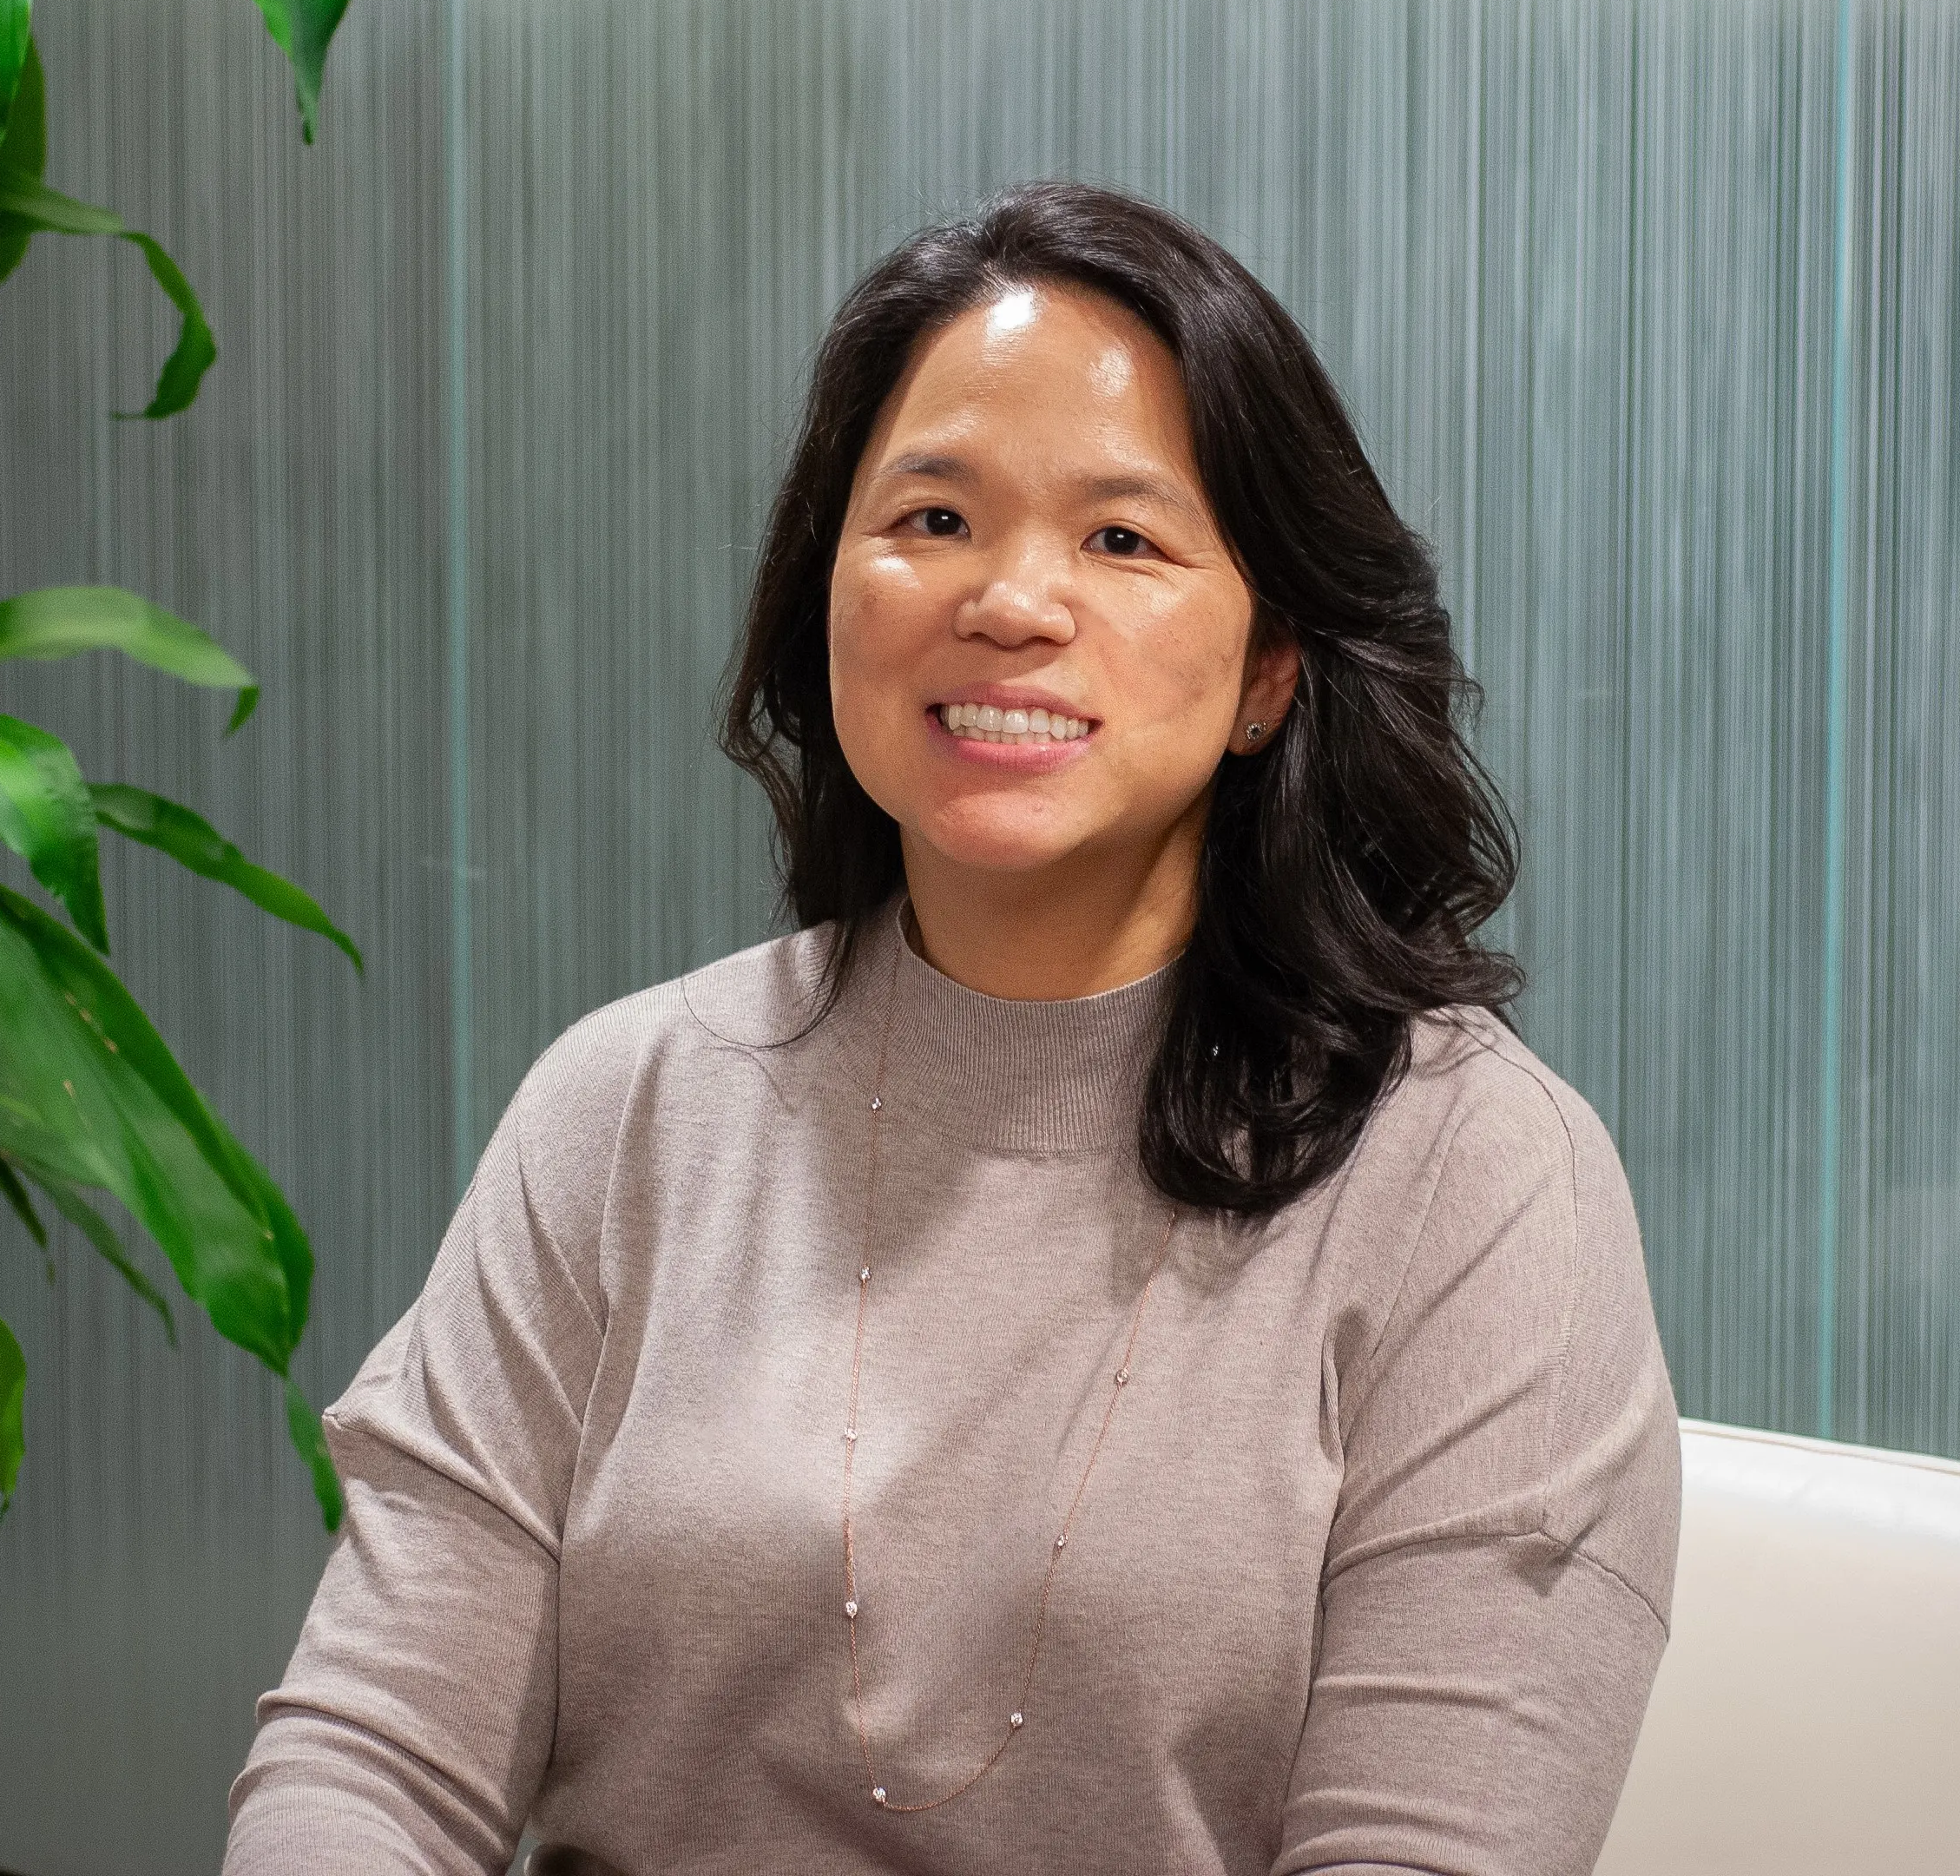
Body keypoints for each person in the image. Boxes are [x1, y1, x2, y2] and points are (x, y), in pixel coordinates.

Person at [225, 183, 1680, 1876]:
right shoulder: (627, 1106)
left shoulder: (1476, 1180)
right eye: (930, 517)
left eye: (1123, 540)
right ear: (823, 584)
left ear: (1272, 667)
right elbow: (370, 1764)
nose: (1008, 601)